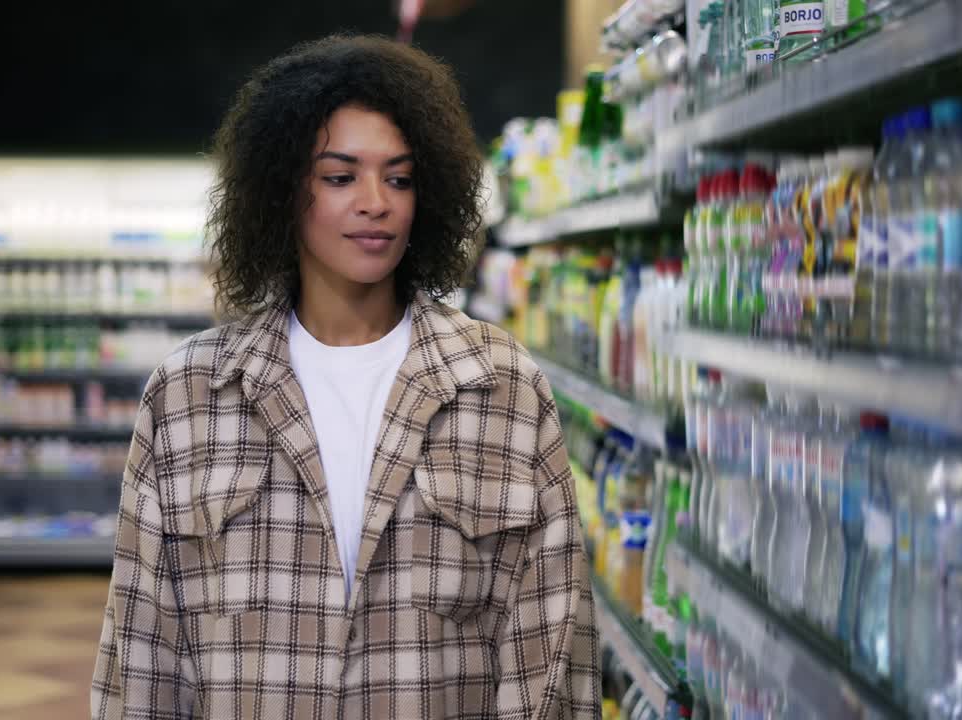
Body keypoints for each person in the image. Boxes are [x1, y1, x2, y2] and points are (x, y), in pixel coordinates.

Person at [92, 35, 600, 719]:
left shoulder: (500, 385)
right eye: (340, 177)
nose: (376, 203)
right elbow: (143, 646)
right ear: (281, 189)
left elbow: (550, 645)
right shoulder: (190, 393)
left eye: (399, 178)